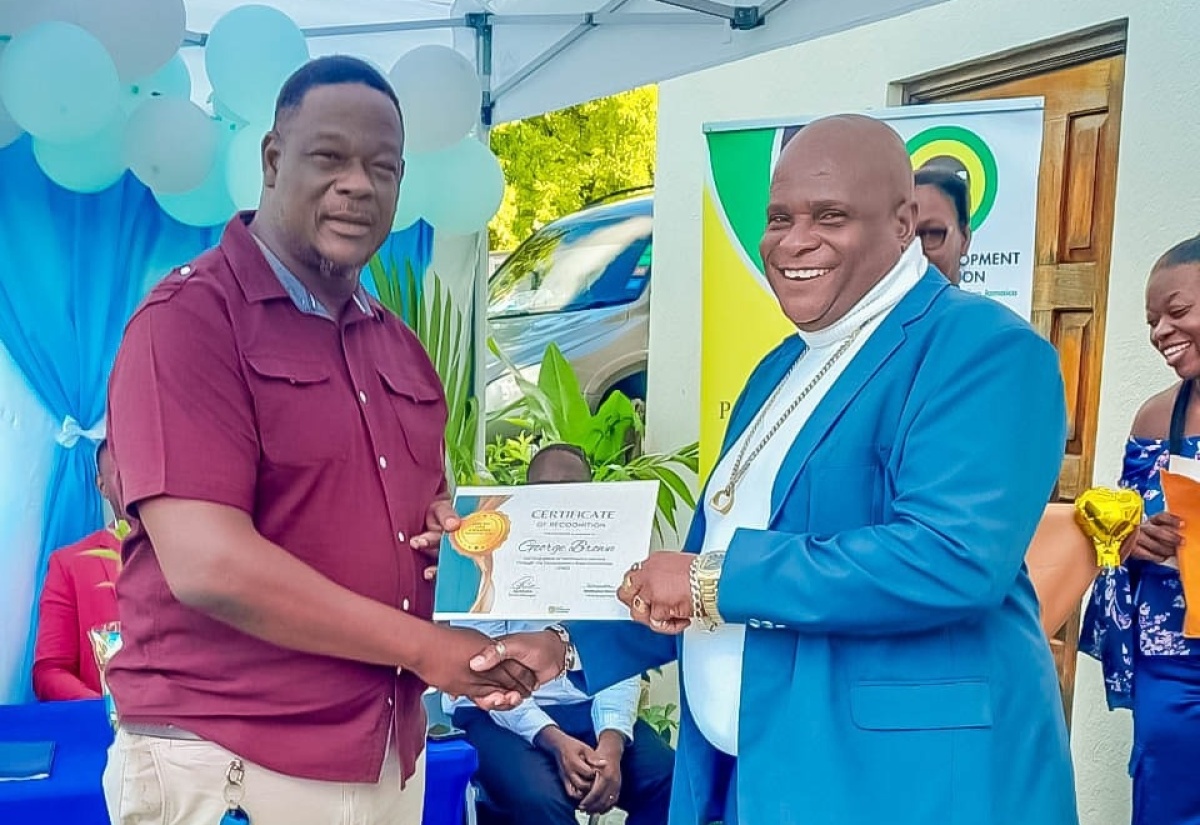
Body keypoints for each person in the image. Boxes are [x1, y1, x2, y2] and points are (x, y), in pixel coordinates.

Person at [469, 115, 1076, 824]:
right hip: (746, 777)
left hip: (901, 786)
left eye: (831, 215)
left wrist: (711, 579)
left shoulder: (981, 348)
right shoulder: (779, 367)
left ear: (903, 221)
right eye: (779, 216)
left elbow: (951, 558)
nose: (794, 240)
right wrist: (566, 648)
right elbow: (702, 579)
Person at [102, 56, 535, 825]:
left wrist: (462, 547)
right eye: (330, 157)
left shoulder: (402, 351)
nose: (359, 185)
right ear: (273, 160)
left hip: (385, 760)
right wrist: (429, 648)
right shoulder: (189, 323)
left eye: (383, 166)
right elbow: (211, 565)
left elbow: (428, 524)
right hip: (229, 762)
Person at [449, 443, 673, 825]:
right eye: (545, 490)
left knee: (667, 779)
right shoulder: (488, 549)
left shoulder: (614, 552)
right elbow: (482, 669)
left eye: (572, 490)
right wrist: (553, 740)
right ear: (526, 492)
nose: (558, 501)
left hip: (587, 707)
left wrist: (611, 744)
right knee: (541, 799)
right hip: (495, 711)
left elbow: (621, 655)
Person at [1081, 233, 1200, 824]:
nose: (1161, 332)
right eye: (1154, 320)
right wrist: (1131, 543)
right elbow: (1119, 525)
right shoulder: (1157, 417)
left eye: (1178, 312)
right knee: (1166, 805)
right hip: (1172, 658)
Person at [31, 438, 123, 701]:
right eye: (120, 472)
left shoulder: (200, 553)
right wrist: (108, 710)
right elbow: (50, 672)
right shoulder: (70, 564)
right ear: (101, 486)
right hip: (112, 732)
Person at [914, 165, 972, 284]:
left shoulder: (980, 304)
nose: (914, 250)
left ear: (964, 239)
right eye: (903, 237)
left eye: (932, 234)